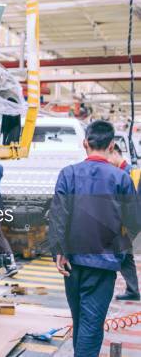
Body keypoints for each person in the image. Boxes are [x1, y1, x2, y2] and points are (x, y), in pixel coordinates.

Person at [48, 120, 140, 357]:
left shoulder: (68, 174)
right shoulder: (121, 179)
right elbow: (134, 222)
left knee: (80, 320)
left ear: (85, 143)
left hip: (72, 263)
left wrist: (58, 251)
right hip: (103, 264)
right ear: (111, 146)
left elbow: (58, 214)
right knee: (90, 325)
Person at [108, 144, 140, 301]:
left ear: (115, 153)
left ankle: (132, 290)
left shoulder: (129, 173)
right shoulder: (124, 172)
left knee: (121, 254)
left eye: (108, 157)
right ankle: (133, 290)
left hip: (129, 224)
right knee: (126, 256)